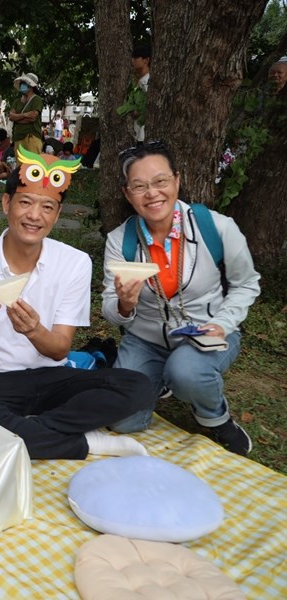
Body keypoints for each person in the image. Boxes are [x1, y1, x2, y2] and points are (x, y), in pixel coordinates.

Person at [0, 147, 155, 460]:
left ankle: (30, 432)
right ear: (6, 203)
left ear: (57, 214)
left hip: (51, 377)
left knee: (139, 387)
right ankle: (84, 443)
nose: (34, 216)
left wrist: (34, 330)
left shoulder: (74, 263)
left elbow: (59, 350)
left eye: (47, 207)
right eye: (25, 202)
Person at [102, 141, 260, 455]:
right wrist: (125, 304)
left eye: (160, 181)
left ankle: (216, 419)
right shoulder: (121, 240)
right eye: (139, 186)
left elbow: (246, 284)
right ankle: (158, 380)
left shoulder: (216, 227)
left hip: (206, 335)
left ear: (177, 180)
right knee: (123, 421)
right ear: (127, 193)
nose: (152, 193)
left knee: (186, 371)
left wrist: (221, 324)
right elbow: (109, 306)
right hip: (145, 340)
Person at [118, 46, 151, 142]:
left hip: (144, 135)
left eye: (136, 57)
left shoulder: (148, 81)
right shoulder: (137, 83)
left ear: (146, 60)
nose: (133, 61)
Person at [8, 73, 44, 154]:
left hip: (31, 137)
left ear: (31, 86)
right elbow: (11, 116)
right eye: (21, 83)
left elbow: (33, 117)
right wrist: (25, 115)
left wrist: (16, 119)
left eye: (24, 83)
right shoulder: (17, 101)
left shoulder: (37, 100)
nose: (21, 86)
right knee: (20, 166)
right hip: (17, 138)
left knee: (32, 165)